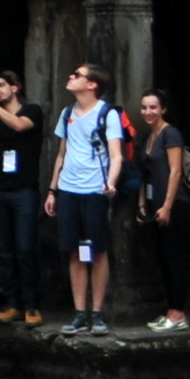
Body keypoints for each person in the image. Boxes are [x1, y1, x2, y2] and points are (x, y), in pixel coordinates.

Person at [45, 64, 126, 334]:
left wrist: (110, 182)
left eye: (77, 75)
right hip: (69, 189)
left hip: (94, 190)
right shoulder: (67, 112)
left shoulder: (107, 113)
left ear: (92, 84)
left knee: (98, 250)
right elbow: (61, 154)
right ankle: (80, 311)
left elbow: (116, 155)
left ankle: (97, 312)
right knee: (75, 250)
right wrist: (53, 190)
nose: (70, 76)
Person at [0, 69, 47, 325]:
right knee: (4, 250)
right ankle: (13, 304)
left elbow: (19, 126)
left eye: (0, 86)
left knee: (26, 247)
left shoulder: (32, 110)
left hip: (24, 191)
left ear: (15, 87)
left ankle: (32, 305)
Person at [131, 90, 190, 332]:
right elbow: (143, 175)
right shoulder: (149, 136)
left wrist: (167, 206)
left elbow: (175, 171)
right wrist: (140, 205)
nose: (148, 112)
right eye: (144, 107)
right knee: (164, 260)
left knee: (174, 258)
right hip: (154, 206)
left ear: (163, 109)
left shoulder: (171, 133)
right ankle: (171, 311)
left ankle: (178, 314)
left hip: (175, 205)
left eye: (153, 107)